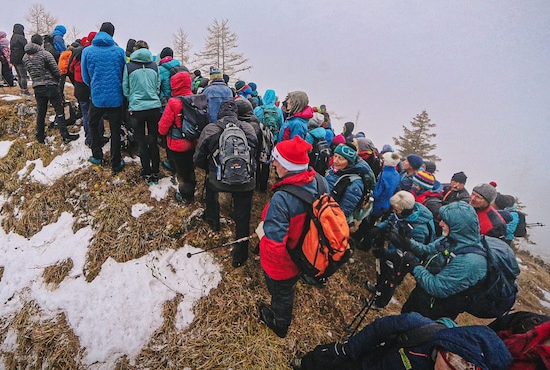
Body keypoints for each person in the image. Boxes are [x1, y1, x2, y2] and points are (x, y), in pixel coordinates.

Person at [294, 312, 511, 370]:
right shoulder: (420, 327)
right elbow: (380, 329)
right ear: (447, 348)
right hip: (369, 363)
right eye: (452, 364)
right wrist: (349, 349)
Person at [255, 135, 315, 338]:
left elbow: (273, 245)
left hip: (285, 263)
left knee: (281, 293)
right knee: (286, 289)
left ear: (287, 165)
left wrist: (263, 238)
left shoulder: (283, 198)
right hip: (306, 251)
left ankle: (280, 324)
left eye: (276, 159)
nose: (273, 163)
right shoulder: (317, 180)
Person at [393, 201, 487, 320]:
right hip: (422, 293)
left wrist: (414, 266)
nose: (440, 224)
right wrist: (406, 242)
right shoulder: (450, 237)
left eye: (445, 222)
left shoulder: (470, 261)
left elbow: (437, 287)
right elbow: (428, 250)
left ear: (458, 226)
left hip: (436, 310)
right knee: (404, 317)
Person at [194, 99, 257, 267]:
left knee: (211, 187)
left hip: (219, 180)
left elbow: (198, 158)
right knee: (243, 216)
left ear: (219, 113)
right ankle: (240, 255)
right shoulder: (249, 129)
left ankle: (213, 221)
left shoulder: (211, 129)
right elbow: (254, 154)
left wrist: (210, 168)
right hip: (246, 180)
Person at [365, 190, 435, 308]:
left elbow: (409, 252)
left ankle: (380, 302)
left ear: (404, 210)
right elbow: (390, 221)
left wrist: (386, 253)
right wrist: (378, 228)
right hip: (394, 248)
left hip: (404, 259)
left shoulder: (419, 230)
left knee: (392, 279)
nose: (393, 211)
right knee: (384, 271)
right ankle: (378, 287)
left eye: (396, 210)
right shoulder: (401, 214)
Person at [81, 22, 127, 173]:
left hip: (97, 97)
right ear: (112, 34)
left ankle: (97, 155)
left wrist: (94, 86)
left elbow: (85, 76)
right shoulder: (119, 52)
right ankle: (116, 162)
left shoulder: (87, 51)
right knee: (115, 130)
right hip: (116, 98)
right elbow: (123, 75)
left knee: (93, 124)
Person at [22, 34, 79, 144]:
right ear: (41, 42)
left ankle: (40, 136)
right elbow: (56, 71)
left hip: (37, 86)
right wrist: (57, 79)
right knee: (59, 110)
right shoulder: (45, 54)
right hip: (50, 85)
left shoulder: (25, 57)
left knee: (41, 112)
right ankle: (65, 135)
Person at [122, 40, 162, 184]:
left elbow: (125, 87)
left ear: (135, 50)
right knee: (153, 141)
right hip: (153, 107)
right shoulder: (154, 66)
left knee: (141, 142)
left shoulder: (129, 66)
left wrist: (132, 98)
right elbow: (158, 87)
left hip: (137, 108)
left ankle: (146, 172)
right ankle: (156, 172)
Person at [158, 70, 198, 204]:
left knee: (182, 171)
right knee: (190, 167)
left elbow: (163, 126)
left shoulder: (174, 102)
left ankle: (186, 196)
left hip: (177, 144)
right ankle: (192, 187)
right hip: (194, 141)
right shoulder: (197, 99)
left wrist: (161, 135)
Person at [369, 151, 402, 225]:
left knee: (368, 223)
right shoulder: (397, 174)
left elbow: (376, 193)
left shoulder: (384, 174)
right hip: (387, 204)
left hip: (377, 204)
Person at [9, 23, 30, 95]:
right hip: (21, 57)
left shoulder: (13, 37)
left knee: (19, 75)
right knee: (23, 75)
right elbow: (26, 47)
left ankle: (22, 89)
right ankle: (25, 90)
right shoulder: (21, 37)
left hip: (14, 58)